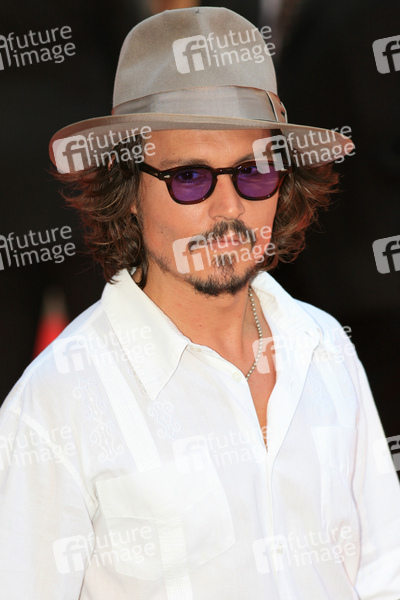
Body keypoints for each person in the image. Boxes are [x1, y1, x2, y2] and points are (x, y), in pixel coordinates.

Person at [0, 6, 399, 599]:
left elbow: (383, 575)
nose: (229, 208)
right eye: (190, 177)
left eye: (254, 173)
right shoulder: (55, 405)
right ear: (127, 190)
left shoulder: (325, 349)